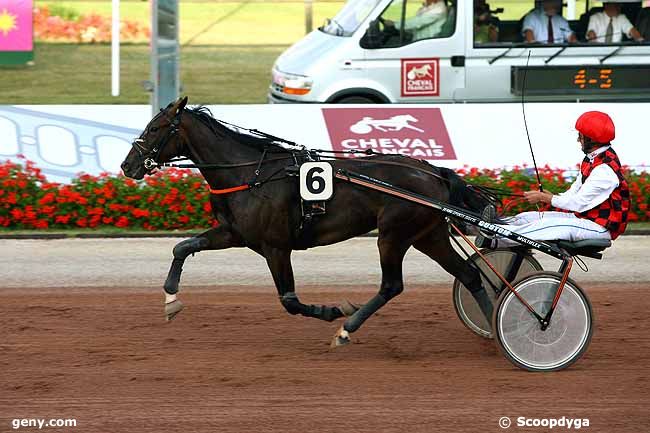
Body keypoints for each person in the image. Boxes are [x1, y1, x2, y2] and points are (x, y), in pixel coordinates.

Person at [477, 111, 630, 249]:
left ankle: (495, 238)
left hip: (599, 227)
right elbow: (573, 193)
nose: (578, 140)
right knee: (528, 217)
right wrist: (553, 197)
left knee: (546, 225)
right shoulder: (592, 160)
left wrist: (546, 198)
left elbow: (578, 203)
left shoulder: (604, 170)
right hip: (584, 218)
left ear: (591, 139)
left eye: (581, 136)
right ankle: (496, 224)